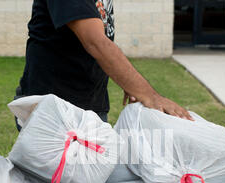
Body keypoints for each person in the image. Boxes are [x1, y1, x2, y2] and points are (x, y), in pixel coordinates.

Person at [15, 0, 192, 131]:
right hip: (53, 110)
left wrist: (128, 82)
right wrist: (149, 95)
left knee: (94, 178)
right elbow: (96, 42)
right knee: (59, 181)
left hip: (89, 106)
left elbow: (100, 39)